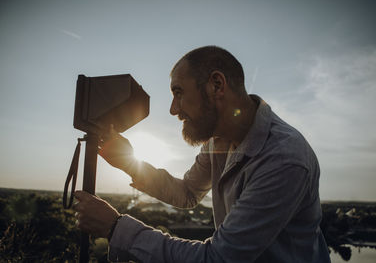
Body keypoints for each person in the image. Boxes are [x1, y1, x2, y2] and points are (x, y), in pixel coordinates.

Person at [73, 46, 331, 262]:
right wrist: (129, 162)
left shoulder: (283, 158)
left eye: (178, 92)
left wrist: (116, 228)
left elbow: (217, 258)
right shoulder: (218, 140)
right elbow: (187, 193)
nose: (174, 109)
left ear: (216, 85)